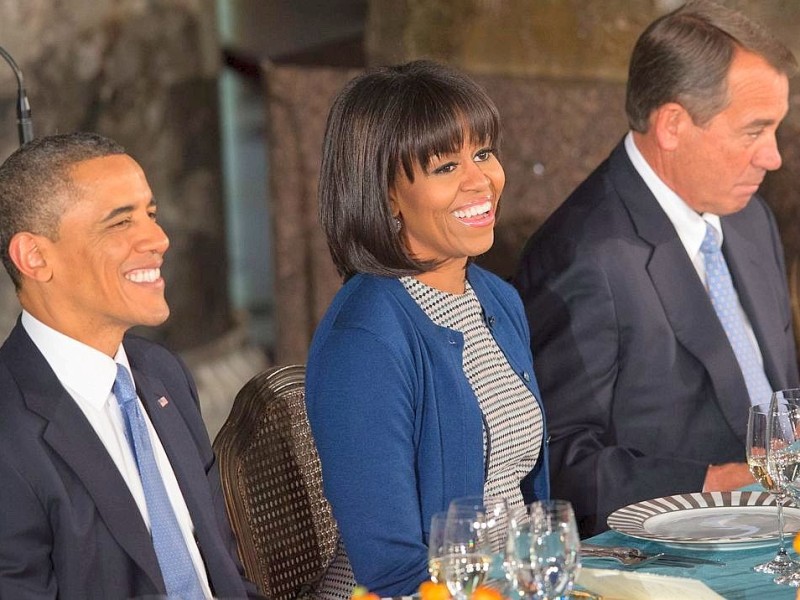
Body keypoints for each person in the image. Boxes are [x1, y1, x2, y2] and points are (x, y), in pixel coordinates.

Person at [513, 0, 799, 538]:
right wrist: (719, 484)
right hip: (671, 556)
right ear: (672, 125)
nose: (774, 157)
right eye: (754, 131)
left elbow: (778, 398)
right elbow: (556, 462)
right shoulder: (585, 254)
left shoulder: (749, 219)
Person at [306, 60, 550, 597]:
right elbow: (390, 569)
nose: (481, 181)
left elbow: (526, 501)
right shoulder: (365, 337)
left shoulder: (496, 299)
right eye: (445, 167)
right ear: (387, 193)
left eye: (483, 154)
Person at [0, 132, 261, 599]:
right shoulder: (8, 430)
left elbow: (224, 580)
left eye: (151, 215)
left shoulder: (161, 374)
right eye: (121, 223)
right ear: (35, 257)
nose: (159, 239)